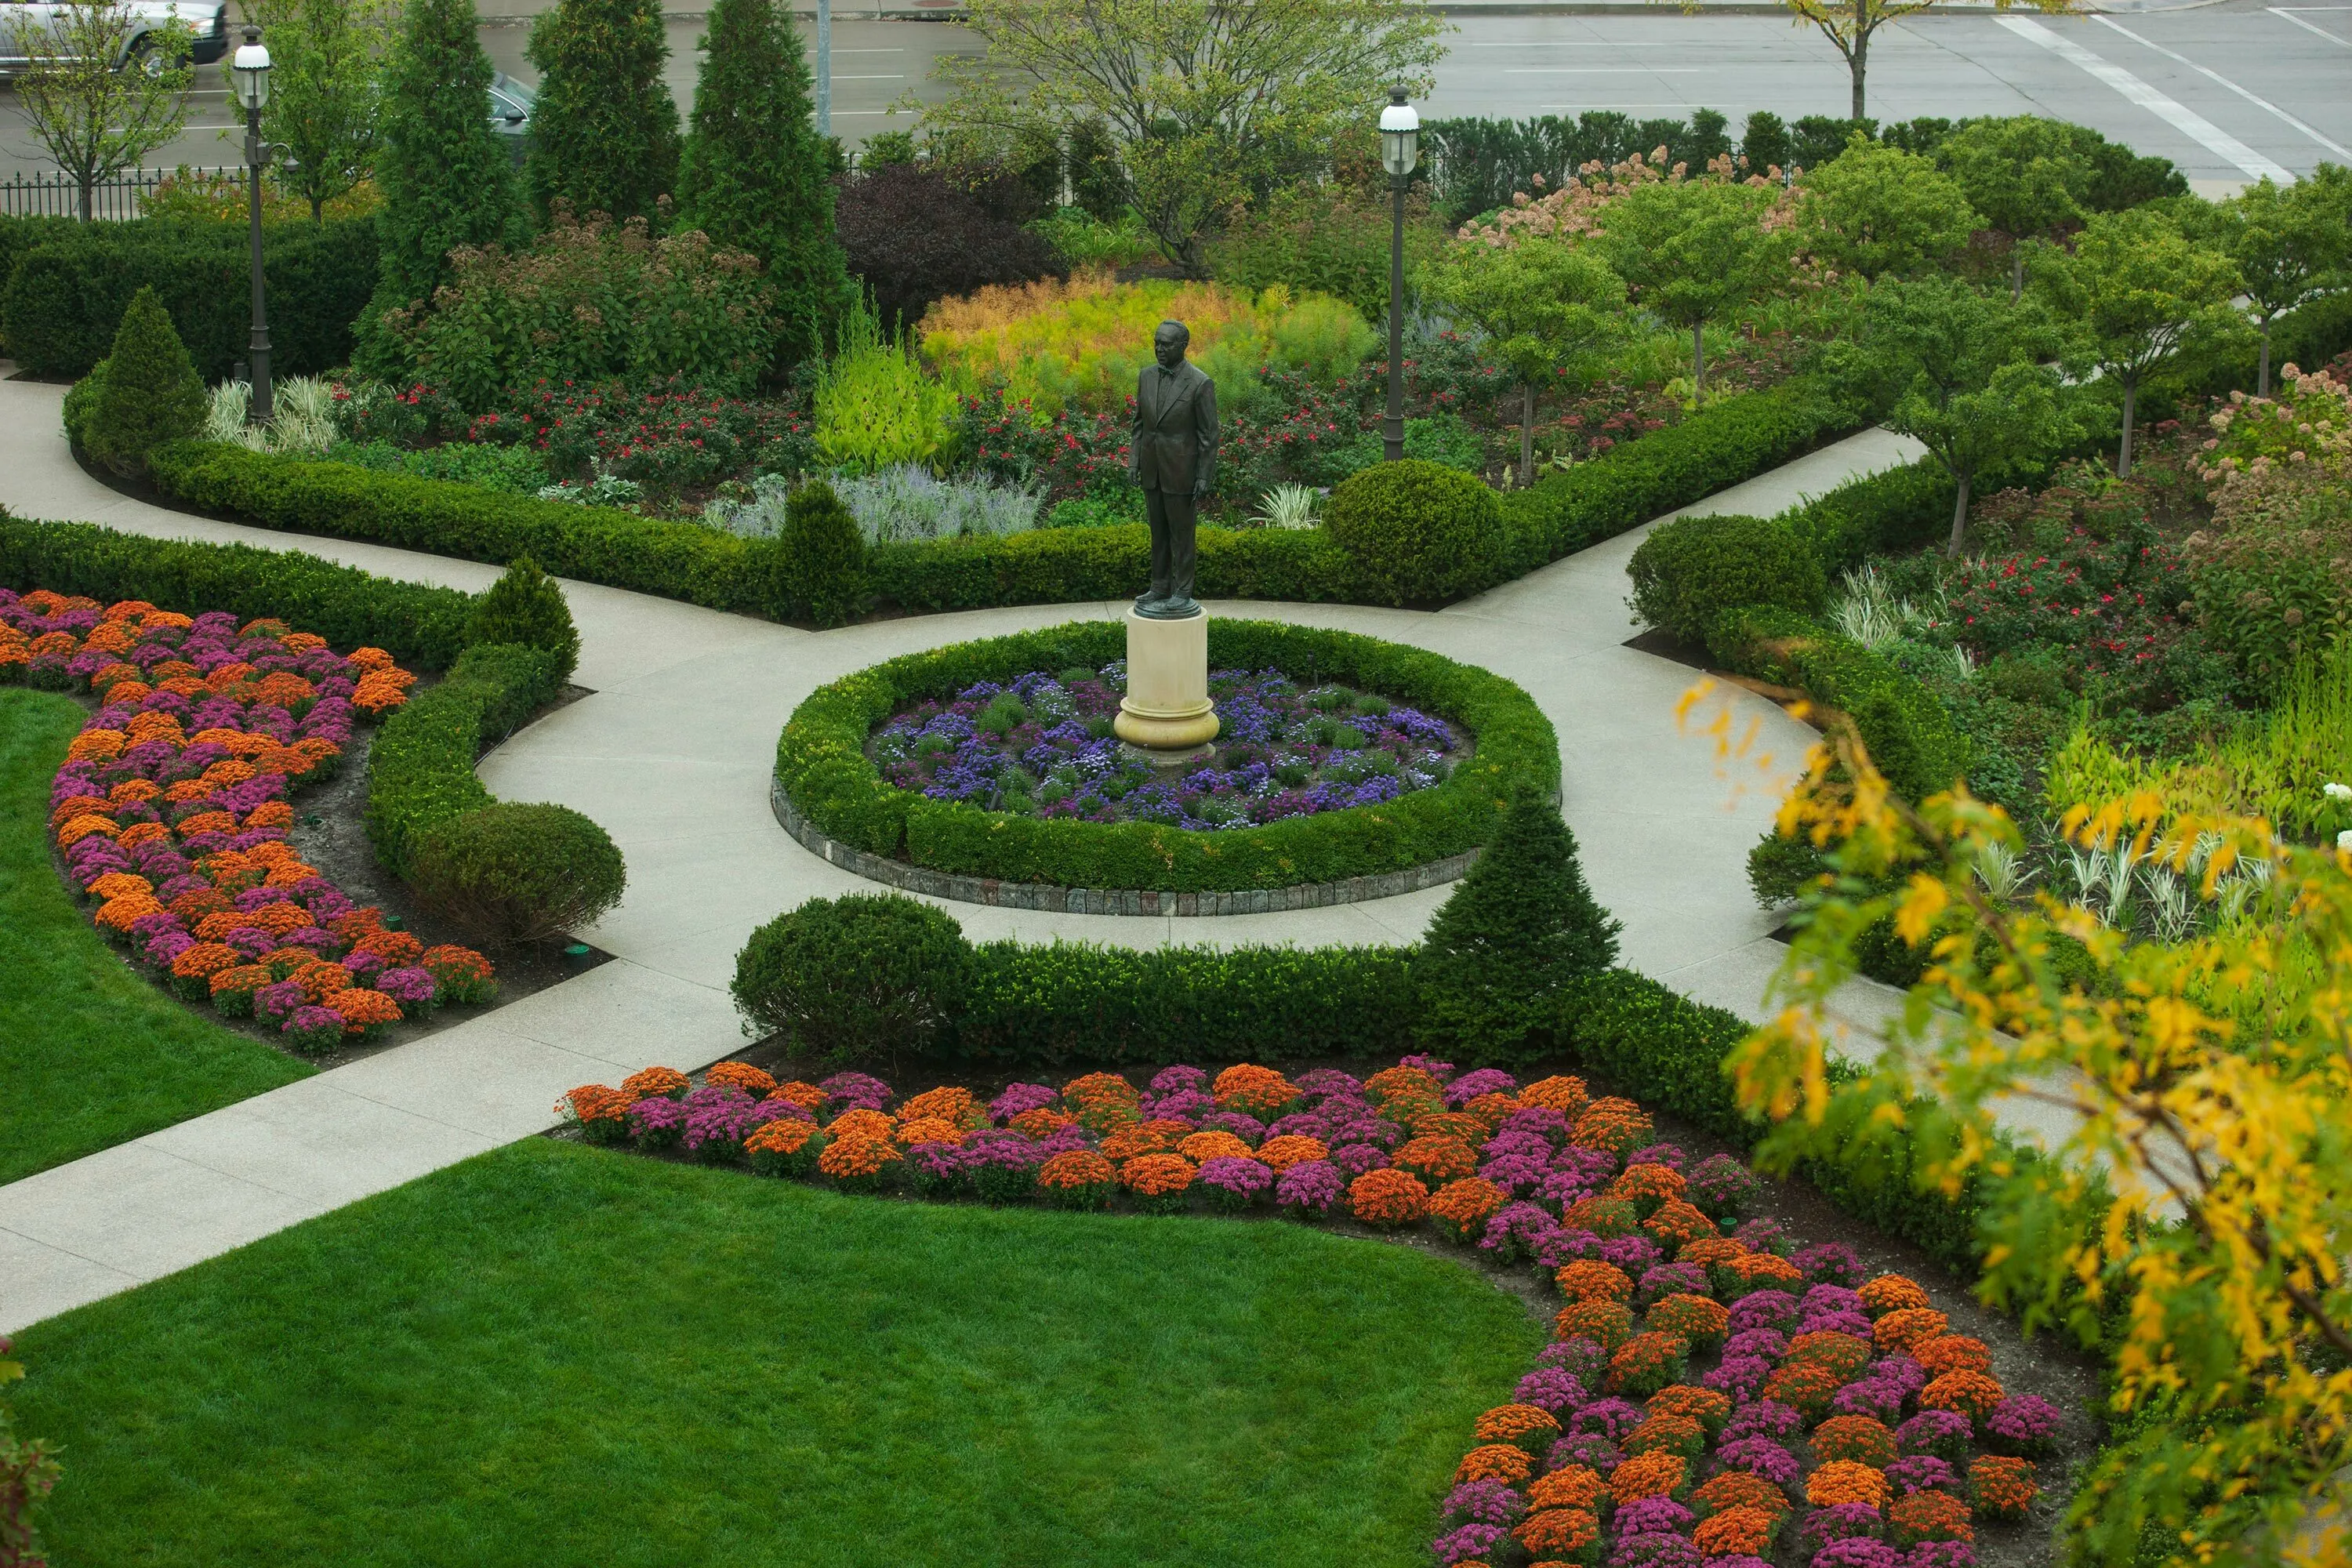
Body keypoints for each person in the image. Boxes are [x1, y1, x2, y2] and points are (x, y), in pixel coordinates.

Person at [1127, 318, 1218, 618]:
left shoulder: (1200, 383)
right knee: (1159, 532)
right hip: (1152, 470)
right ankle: (1160, 586)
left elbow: (1209, 434)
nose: (1159, 349)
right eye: (1156, 342)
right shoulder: (1146, 376)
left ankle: (1182, 591)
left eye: (1166, 344)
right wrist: (1134, 461)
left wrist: (1204, 474)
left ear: (1183, 346)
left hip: (1182, 471)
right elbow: (1139, 425)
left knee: (1182, 534)